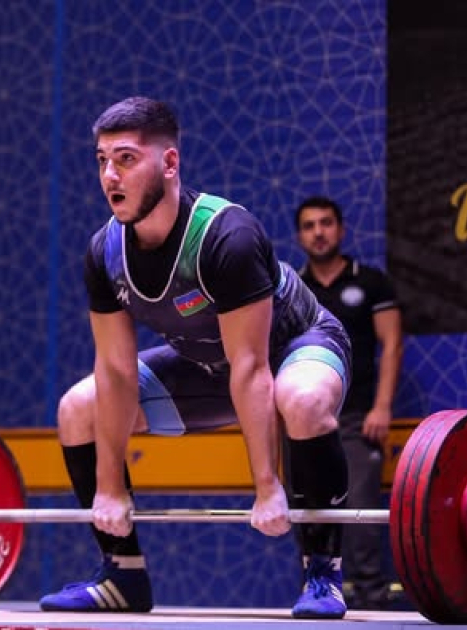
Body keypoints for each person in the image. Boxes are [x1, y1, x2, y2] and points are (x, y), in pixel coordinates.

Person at [37, 96, 354, 619]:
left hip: (296, 347)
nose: (110, 176)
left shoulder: (226, 235)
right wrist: (109, 487)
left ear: (169, 163)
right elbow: (115, 370)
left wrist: (267, 485)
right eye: (102, 161)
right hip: (209, 365)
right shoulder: (104, 253)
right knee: (78, 409)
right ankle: (122, 575)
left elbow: (252, 367)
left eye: (126, 159)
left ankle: (322, 572)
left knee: (299, 400)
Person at [294, 195, 404, 610]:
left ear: (340, 230)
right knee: (308, 514)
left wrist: (382, 406)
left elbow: (392, 344)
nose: (318, 232)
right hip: (302, 422)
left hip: (357, 417)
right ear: (300, 236)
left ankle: (372, 603)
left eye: (326, 223)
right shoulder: (293, 289)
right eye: (309, 226)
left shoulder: (371, 282)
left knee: (360, 518)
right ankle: (317, 599)